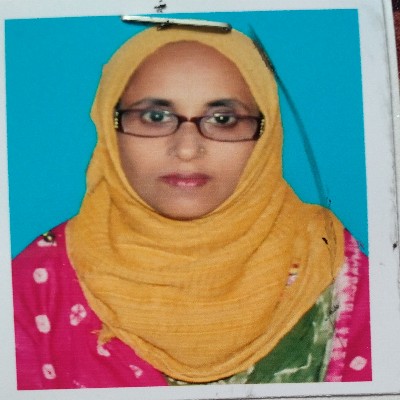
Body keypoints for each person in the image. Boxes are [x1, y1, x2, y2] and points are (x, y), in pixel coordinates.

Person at [12, 25, 371, 390]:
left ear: (266, 134)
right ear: (110, 126)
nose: (186, 149)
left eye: (223, 119)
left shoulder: (327, 257)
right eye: (155, 117)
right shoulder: (37, 284)